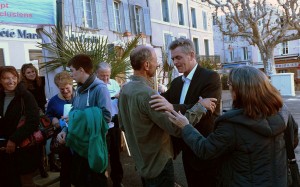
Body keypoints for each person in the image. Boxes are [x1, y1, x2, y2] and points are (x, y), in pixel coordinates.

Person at [165, 66, 299, 187]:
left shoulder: (231, 124)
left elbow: (205, 150)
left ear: (239, 90)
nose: (228, 87)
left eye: (229, 84)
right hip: (280, 181)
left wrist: (186, 126)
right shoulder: (283, 111)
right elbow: (292, 141)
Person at [118, 45, 216, 187]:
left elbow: (123, 125)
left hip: (142, 163)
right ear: (146, 65)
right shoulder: (147, 94)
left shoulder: (126, 89)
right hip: (158, 165)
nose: (158, 64)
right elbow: (176, 127)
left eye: (178, 57)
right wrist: (200, 107)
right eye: (155, 60)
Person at [150, 38, 222, 187]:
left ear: (191, 55)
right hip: (185, 150)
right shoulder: (176, 82)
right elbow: (163, 100)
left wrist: (172, 107)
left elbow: (208, 112)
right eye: (173, 58)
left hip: (205, 146)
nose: (175, 62)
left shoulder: (211, 77)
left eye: (178, 57)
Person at [57, 54, 112, 187]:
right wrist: (65, 130)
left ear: (81, 70)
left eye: (72, 71)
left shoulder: (100, 89)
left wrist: (78, 117)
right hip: (78, 145)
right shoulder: (79, 90)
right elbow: (72, 114)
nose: (71, 75)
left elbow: (106, 116)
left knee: (96, 181)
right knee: (80, 181)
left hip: (92, 145)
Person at [0, 66, 40, 187]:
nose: (11, 81)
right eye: (6, 78)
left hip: (24, 148)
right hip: (4, 149)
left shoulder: (25, 96)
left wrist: (13, 140)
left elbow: (33, 121)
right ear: (0, 80)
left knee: (26, 182)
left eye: (13, 77)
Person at [96, 62, 123, 187]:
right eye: (102, 76)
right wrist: (113, 96)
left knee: (116, 154)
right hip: (102, 124)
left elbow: (120, 99)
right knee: (102, 154)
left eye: (107, 75)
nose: (106, 78)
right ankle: (102, 181)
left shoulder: (114, 83)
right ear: (97, 74)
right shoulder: (95, 86)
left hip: (115, 122)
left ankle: (117, 181)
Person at [21, 63, 48, 178]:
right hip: (32, 116)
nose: (31, 74)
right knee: (36, 140)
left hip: (42, 115)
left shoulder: (41, 80)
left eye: (33, 71)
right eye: (28, 72)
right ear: (24, 74)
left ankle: (47, 164)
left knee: (45, 139)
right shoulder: (22, 86)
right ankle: (40, 167)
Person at [46, 71, 73, 187]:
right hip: (62, 137)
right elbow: (49, 115)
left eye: (67, 88)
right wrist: (53, 120)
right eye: (62, 89)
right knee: (66, 166)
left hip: (78, 136)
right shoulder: (53, 101)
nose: (65, 91)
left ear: (72, 85)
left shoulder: (79, 97)